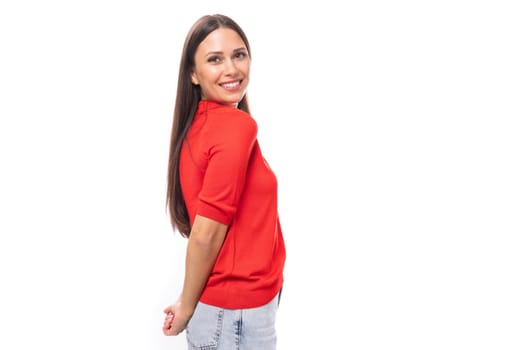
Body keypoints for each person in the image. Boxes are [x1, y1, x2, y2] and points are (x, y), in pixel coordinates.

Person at [162, 14, 286, 349]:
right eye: (214, 59)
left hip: (226, 311)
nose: (231, 69)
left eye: (239, 54)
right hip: (234, 315)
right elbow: (207, 232)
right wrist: (187, 307)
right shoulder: (235, 127)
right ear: (193, 73)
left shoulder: (200, 126)